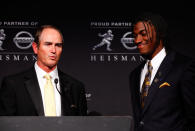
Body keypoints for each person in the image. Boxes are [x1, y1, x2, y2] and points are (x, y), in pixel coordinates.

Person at [0, 25, 87, 116]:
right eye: (48, 44)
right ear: (35, 47)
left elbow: (82, 125)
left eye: (58, 45)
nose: (53, 50)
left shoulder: (76, 87)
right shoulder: (13, 85)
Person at [129, 12, 195, 131]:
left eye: (143, 34)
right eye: (135, 36)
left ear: (159, 33)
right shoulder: (135, 75)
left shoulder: (183, 67)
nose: (137, 40)